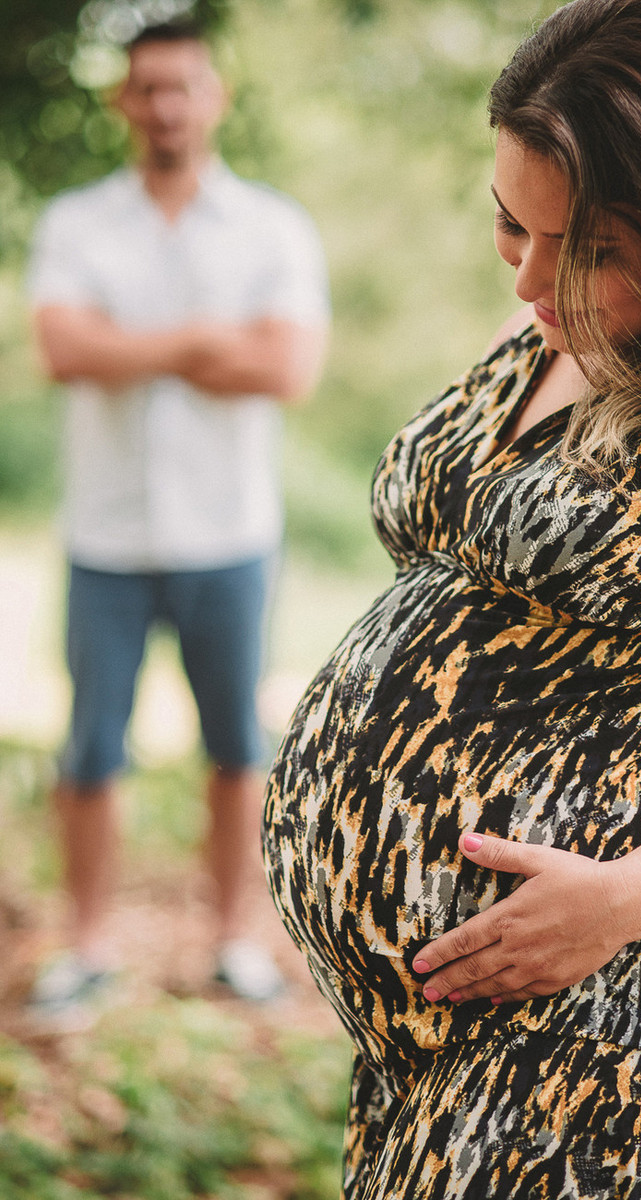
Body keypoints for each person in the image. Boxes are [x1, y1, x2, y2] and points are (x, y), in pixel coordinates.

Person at [261, 0, 641, 1195]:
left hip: (622, 1030)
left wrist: (614, 903)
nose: (533, 275)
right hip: (431, 1043)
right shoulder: (556, 320)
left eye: (590, 247)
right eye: (511, 224)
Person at [26, 20, 329, 1019]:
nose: (163, 105)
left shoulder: (271, 228)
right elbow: (65, 350)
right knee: (90, 752)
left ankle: (234, 941)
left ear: (213, 97)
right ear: (124, 100)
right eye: (146, 88)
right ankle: (87, 944)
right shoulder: (76, 223)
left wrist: (132, 344)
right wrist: (205, 338)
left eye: (181, 87)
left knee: (238, 748)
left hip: (229, 537)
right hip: (104, 538)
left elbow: (285, 368)